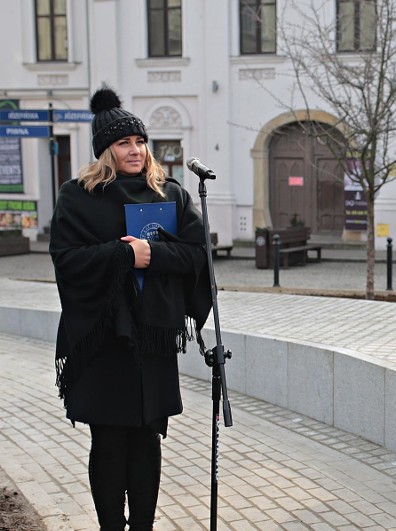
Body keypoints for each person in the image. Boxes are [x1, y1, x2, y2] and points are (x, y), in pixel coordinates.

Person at [49, 87, 212, 530]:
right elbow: (67, 260)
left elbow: (199, 254)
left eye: (140, 142)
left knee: (147, 440)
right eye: (124, 143)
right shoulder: (78, 197)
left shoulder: (171, 193)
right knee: (109, 442)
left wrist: (152, 255)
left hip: (152, 339)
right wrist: (124, 256)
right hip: (104, 342)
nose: (136, 150)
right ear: (106, 150)